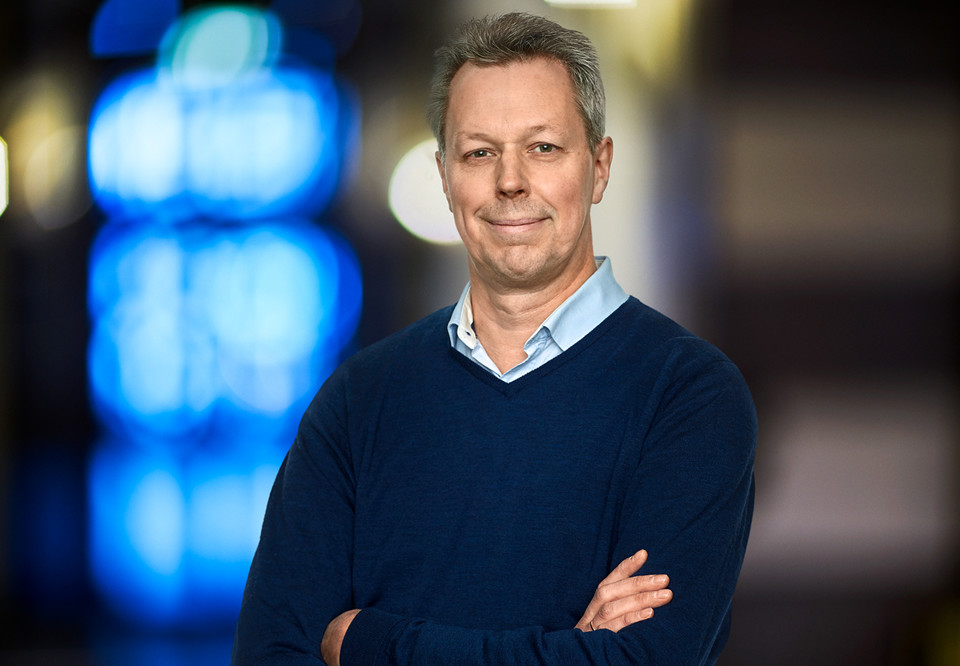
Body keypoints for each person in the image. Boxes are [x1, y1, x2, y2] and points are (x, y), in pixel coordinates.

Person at [232, 12, 756, 665]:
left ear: (598, 166)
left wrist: (370, 642)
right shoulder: (358, 403)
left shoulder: (687, 397)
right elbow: (271, 654)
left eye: (543, 147)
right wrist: (570, 649)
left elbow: (646, 660)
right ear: (446, 176)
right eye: (480, 152)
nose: (510, 182)